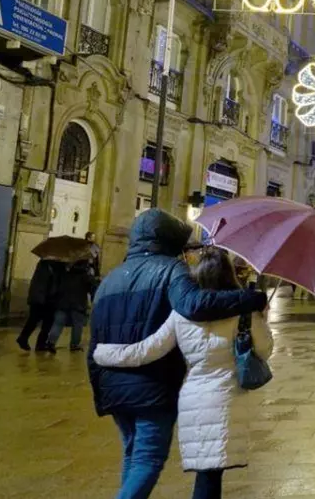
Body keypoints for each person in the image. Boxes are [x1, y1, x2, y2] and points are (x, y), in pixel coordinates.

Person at [88, 209, 267, 499]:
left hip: (112, 381)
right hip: (151, 383)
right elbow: (194, 305)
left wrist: (99, 384)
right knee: (147, 459)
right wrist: (250, 298)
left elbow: (94, 339)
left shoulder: (109, 279)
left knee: (133, 455)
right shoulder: (171, 270)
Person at [47, 258, 98, 352]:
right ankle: (74, 345)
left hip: (63, 303)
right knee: (77, 325)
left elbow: (59, 286)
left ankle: (51, 342)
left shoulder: (66, 274)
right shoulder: (86, 276)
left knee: (58, 323)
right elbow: (93, 288)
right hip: (78, 304)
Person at [17, 258, 65, 352]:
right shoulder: (49, 267)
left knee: (42, 322)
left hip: (44, 299)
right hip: (43, 299)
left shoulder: (48, 265)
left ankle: (35, 342)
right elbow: (49, 284)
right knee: (37, 320)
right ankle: (27, 339)